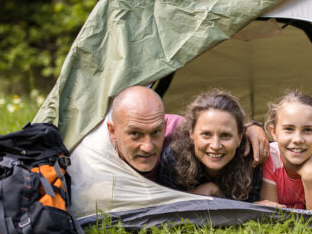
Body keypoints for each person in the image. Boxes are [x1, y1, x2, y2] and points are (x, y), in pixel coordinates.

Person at [67, 86, 269, 212]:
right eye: (135, 134)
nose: (147, 147)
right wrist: (204, 193)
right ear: (112, 131)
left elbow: (218, 124)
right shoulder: (94, 161)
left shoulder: (176, 135)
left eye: (155, 132)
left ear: (164, 126)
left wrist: (254, 127)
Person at [158, 90, 263, 201]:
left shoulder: (252, 159)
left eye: (225, 135)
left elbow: (252, 208)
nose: (215, 145)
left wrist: (217, 195)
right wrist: (200, 193)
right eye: (206, 134)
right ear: (192, 134)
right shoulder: (173, 158)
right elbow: (167, 207)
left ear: (239, 137)